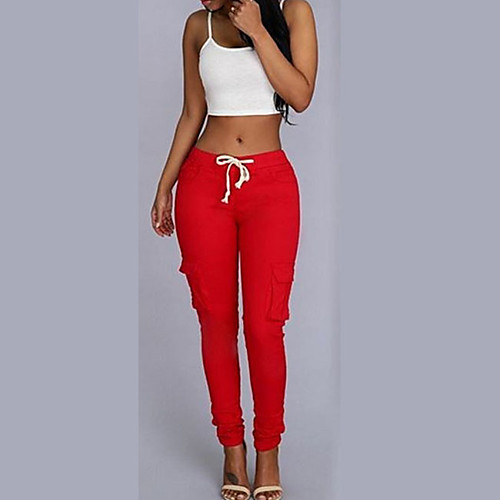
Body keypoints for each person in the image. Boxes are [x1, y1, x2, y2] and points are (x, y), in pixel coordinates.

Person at [151, 1, 317, 498]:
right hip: (203, 185)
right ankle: (232, 449)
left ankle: (268, 451)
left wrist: (258, 32)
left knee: (265, 326)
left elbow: (301, 96)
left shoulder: (292, 10)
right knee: (216, 323)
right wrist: (164, 186)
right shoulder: (197, 26)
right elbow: (192, 112)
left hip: (270, 188)